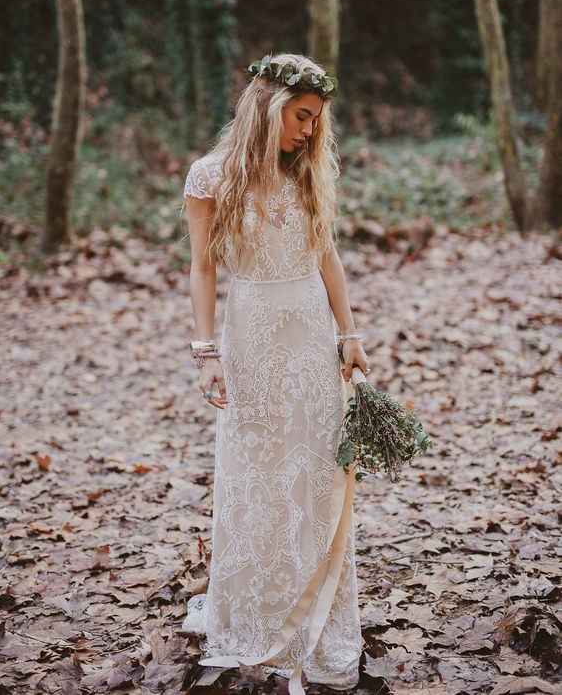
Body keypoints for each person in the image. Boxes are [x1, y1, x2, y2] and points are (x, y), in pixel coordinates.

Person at [181, 52, 370, 694]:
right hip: (252, 332)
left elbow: (329, 258)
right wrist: (205, 351)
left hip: (311, 333)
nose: (309, 131)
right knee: (257, 468)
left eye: (317, 121)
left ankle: (316, 614)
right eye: (302, 117)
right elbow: (203, 268)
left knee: (316, 468)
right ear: (267, 108)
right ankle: (257, 610)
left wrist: (349, 334)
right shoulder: (212, 178)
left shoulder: (305, 176)